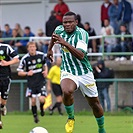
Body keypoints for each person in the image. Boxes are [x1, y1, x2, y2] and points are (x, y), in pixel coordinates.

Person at [47, 11, 106, 133]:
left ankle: (101, 128)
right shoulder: (59, 29)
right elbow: (53, 36)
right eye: (65, 22)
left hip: (84, 73)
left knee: (94, 104)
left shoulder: (82, 34)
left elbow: (80, 55)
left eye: (70, 22)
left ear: (76, 22)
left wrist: (65, 43)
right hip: (68, 70)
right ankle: (70, 118)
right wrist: (50, 50)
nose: (67, 24)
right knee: (66, 91)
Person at [17, 41, 48, 123]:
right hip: (31, 83)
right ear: (28, 49)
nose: (32, 48)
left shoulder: (41, 55)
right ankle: (35, 116)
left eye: (33, 46)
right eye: (30, 47)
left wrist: (46, 71)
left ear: (36, 47)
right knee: (33, 101)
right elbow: (19, 72)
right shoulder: (25, 59)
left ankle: (41, 108)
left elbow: (45, 65)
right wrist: (27, 73)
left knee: (42, 99)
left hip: (40, 81)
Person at [0, 43, 19, 127]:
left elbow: (16, 58)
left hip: (5, 77)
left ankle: (3, 106)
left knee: (3, 101)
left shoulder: (5, 47)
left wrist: (7, 63)